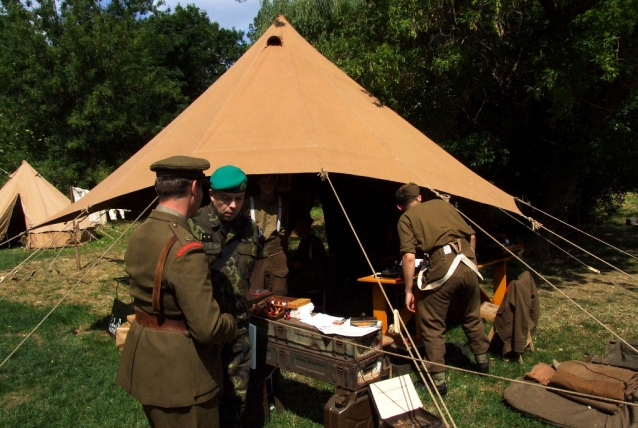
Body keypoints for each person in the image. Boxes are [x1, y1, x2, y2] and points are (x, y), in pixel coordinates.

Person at [116, 156, 237, 427]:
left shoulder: (141, 232)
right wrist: (231, 322)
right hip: (183, 378)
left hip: (147, 362)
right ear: (194, 188)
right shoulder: (186, 248)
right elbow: (208, 328)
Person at [396, 182, 490, 396]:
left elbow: (409, 256)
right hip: (468, 260)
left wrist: (409, 290)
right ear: (420, 198)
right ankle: (483, 362)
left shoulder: (406, 218)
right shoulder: (442, 203)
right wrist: (470, 262)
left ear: (400, 207)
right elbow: (472, 236)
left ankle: (437, 380)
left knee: (431, 321)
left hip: (444, 263)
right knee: (471, 314)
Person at [189, 165, 260, 428]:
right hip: (205, 328)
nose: (232, 205)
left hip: (237, 328)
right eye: (225, 199)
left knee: (236, 396)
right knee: (204, 395)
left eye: (239, 199)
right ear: (211, 195)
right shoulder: (193, 226)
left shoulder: (250, 230)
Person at [244, 174, 289, 296]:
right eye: (264, 182)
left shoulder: (282, 203)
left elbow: (285, 226)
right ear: (259, 183)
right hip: (255, 250)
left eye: (270, 182)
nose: (267, 186)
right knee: (254, 293)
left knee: (279, 291)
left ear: (275, 183)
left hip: (276, 249)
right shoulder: (249, 202)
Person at [288, 215, 327, 300]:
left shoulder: (315, 243)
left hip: (314, 279)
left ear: (304, 227)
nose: (295, 230)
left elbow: (319, 265)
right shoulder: (303, 242)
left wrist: (301, 265)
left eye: (297, 227)